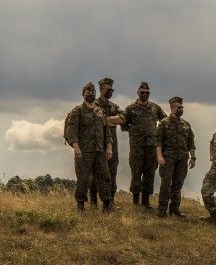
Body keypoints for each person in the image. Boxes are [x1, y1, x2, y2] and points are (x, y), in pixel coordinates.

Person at [108, 82, 166, 209]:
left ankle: (146, 201)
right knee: (136, 172)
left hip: (151, 146)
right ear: (138, 93)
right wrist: (106, 118)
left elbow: (165, 121)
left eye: (147, 92)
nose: (145, 94)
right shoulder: (131, 108)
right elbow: (122, 119)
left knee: (150, 173)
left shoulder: (155, 108)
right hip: (136, 146)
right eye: (142, 92)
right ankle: (135, 201)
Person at [64, 82, 113, 212]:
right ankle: (81, 205)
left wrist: (109, 148)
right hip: (84, 151)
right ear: (83, 94)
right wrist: (76, 148)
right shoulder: (78, 111)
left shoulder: (100, 112)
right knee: (83, 179)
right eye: (88, 93)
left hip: (99, 151)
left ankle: (107, 204)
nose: (91, 94)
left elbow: (106, 131)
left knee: (105, 177)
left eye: (93, 93)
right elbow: (71, 131)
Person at [154, 96, 196, 218]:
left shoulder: (186, 124)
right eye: (179, 107)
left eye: (182, 107)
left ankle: (175, 209)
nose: (181, 109)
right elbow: (158, 142)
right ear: (172, 108)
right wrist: (159, 156)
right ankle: (162, 209)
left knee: (178, 184)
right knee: (166, 184)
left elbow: (191, 143)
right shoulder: (164, 123)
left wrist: (193, 158)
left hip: (182, 159)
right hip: (168, 158)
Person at [89, 77, 122, 209]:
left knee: (112, 172)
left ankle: (110, 202)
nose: (110, 91)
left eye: (112, 89)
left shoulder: (114, 106)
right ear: (101, 89)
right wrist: (111, 122)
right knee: (95, 174)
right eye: (108, 89)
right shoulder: (93, 104)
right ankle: (93, 201)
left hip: (112, 143)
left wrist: (105, 119)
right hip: (96, 143)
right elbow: (91, 120)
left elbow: (123, 119)